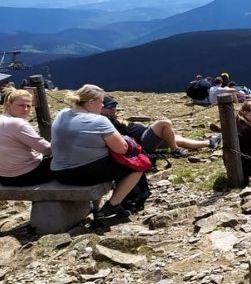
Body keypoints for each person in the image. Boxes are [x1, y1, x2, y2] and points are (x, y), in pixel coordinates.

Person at [50, 84, 147, 220]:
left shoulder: (62, 114)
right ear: (91, 103)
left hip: (58, 171)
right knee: (138, 165)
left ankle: (97, 208)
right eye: (101, 102)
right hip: (80, 174)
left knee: (98, 159)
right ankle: (114, 204)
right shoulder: (99, 120)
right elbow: (121, 148)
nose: (102, 106)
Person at [99, 95, 218, 158]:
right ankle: (175, 150)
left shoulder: (111, 118)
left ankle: (209, 142)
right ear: (100, 109)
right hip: (142, 141)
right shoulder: (104, 121)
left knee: (178, 139)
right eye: (109, 107)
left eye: (114, 105)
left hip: (146, 137)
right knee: (164, 123)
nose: (113, 109)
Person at [0, 88, 53, 186]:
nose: (25, 109)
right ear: (9, 105)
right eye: (21, 105)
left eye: (28, 106)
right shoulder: (17, 123)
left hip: (3, 177)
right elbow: (45, 149)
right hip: (24, 175)